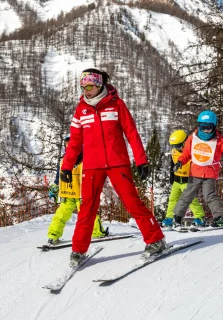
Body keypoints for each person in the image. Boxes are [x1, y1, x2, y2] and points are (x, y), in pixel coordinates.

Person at [61, 68, 165, 265]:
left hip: (118, 163)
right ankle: (78, 250)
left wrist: (141, 160)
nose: (86, 90)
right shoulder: (81, 110)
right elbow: (75, 141)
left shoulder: (116, 104)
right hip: (92, 166)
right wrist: (67, 167)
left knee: (132, 202)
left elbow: (131, 133)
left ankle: (155, 240)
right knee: (87, 208)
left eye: (89, 86)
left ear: (99, 85)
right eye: (83, 86)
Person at [172, 110, 223, 227]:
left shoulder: (218, 140)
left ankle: (220, 217)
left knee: (209, 195)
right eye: (203, 127)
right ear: (199, 126)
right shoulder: (192, 138)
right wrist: (180, 162)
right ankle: (177, 217)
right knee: (188, 194)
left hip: (210, 173)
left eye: (209, 127)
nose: (206, 130)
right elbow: (186, 153)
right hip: (195, 172)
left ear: (214, 126)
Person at [47, 135, 108, 244]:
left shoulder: (87, 160)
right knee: (60, 216)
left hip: (82, 195)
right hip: (67, 194)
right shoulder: (62, 161)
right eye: (67, 145)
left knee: (89, 215)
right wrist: (55, 186)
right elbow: (58, 176)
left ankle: (97, 232)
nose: (70, 147)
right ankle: (53, 236)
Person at [162, 130, 206, 229]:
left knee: (191, 200)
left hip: (188, 180)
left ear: (184, 143)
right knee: (172, 200)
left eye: (177, 146)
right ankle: (170, 218)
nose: (175, 148)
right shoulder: (174, 152)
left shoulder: (192, 152)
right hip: (177, 181)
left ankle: (200, 217)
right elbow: (172, 165)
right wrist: (172, 178)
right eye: (173, 146)